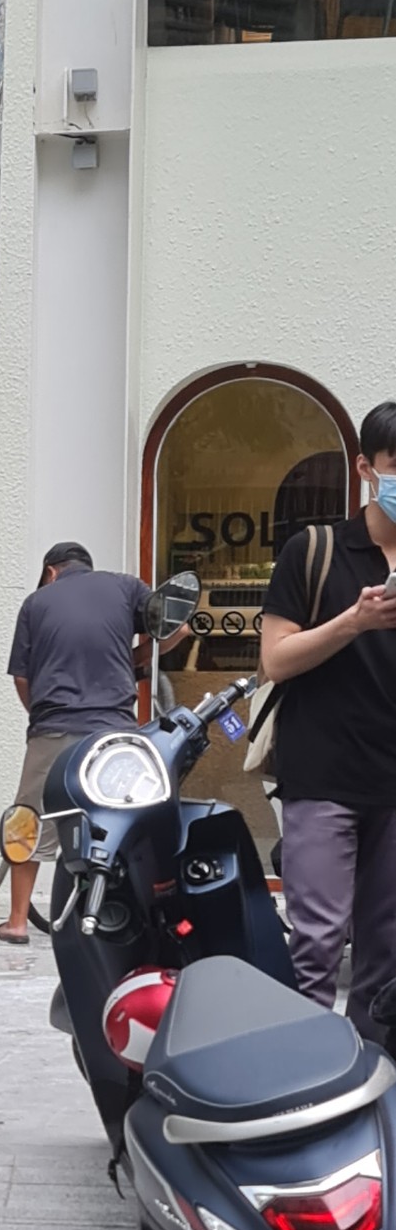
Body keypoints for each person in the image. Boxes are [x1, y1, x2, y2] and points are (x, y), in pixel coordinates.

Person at [260, 399, 396, 1040]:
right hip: (322, 779)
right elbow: (275, 661)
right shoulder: (314, 551)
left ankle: (370, 1078)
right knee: (316, 943)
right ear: (367, 469)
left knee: (386, 952)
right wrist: (355, 622)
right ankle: (308, 1074)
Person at [0, 541, 181, 945]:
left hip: (53, 727)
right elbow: (178, 625)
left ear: (51, 572)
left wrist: (39, 715)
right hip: (113, 731)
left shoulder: (36, 603)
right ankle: (127, 915)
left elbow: (22, 677)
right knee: (120, 819)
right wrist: (135, 658)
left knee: (28, 820)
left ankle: (16, 922)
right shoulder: (126, 587)